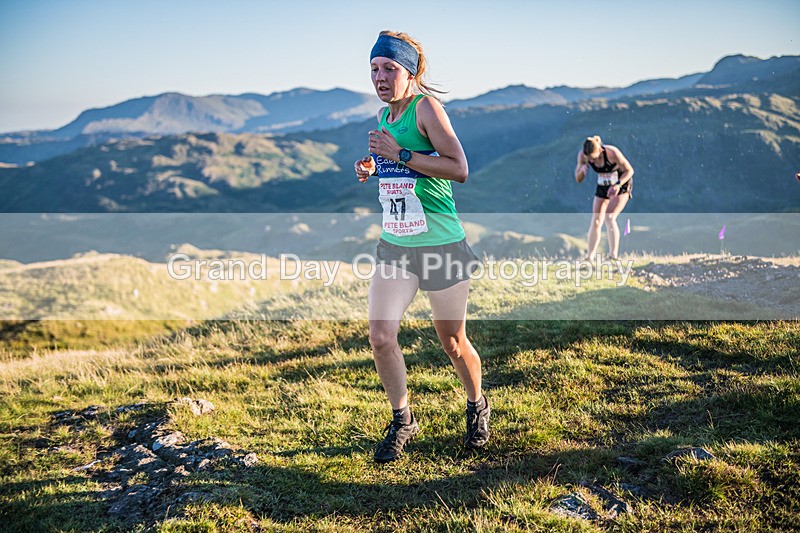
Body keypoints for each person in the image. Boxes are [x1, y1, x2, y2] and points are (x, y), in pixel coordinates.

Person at [354, 30, 489, 463]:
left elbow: (459, 168)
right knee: (380, 335)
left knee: (451, 341)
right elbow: (399, 167)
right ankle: (402, 419)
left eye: (389, 69)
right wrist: (374, 167)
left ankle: (476, 406)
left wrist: (402, 153)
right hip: (396, 244)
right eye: (374, 69)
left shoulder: (426, 109)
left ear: (410, 73)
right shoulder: (382, 116)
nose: (380, 77)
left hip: (442, 244)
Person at [575, 135, 635, 260]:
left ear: (600, 151)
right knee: (596, 220)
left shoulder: (612, 153)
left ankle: (613, 256)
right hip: (603, 185)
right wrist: (582, 172)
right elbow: (578, 179)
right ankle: (589, 257)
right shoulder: (583, 156)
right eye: (589, 159)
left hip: (621, 184)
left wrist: (618, 185)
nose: (592, 161)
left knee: (610, 216)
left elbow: (629, 171)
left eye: (594, 158)